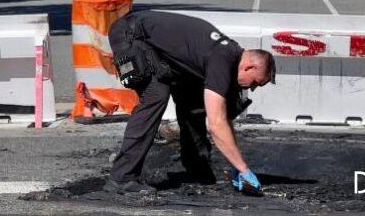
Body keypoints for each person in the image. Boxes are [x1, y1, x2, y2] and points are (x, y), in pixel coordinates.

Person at [103, 10, 276, 195]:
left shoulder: (229, 56)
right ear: (250, 67)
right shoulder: (222, 60)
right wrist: (244, 169)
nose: (252, 88)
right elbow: (216, 124)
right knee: (156, 96)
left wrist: (236, 162)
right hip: (131, 35)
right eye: (256, 83)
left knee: (193, 102)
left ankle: (196, 167)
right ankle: (122, 177)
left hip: (156, 47)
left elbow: (222, 117)